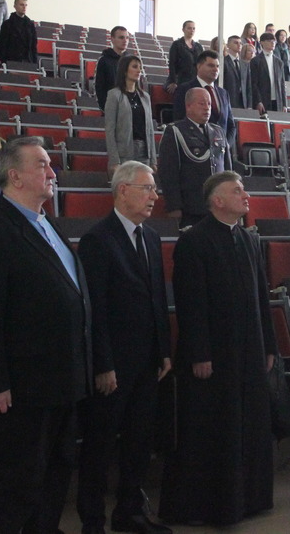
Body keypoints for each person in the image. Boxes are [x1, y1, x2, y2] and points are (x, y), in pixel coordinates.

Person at [0, 137, 91, 534]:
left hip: (63, 380)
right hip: (23, 387)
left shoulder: (48, 224)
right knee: (17, 480)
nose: (52, 172)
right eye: (42, 165)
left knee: (54, 474)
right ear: (14, 176)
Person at [159, 172, 275, 526]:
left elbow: (262, 297)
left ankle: (250, 499)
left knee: (249, 426)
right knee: (214, 430)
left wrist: (269, 344)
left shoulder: (249, 238)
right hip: (213, 356)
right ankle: (210, 507)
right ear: (217, 201)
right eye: (237, 191)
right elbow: (190, 304)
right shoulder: (194, 241)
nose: (245, 195)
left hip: (250, 350)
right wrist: (199, 353)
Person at [76, 163, 173, 534]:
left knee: (139, 440)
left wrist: (164, 350)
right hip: (113, 363)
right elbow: (95, 309)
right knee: (100, 445)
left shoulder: (151, 237)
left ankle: (129, 513)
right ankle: (93, 521)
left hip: (148, 360)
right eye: (146, 188)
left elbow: (157, 298)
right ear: (122, 191)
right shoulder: (98, 239)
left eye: (154, 189)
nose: (154, 196)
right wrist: (103, 364)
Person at [158, 87, 227, 229]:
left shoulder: (218, 131)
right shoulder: (176, 131)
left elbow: (227, 169)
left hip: (219, 206)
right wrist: (174, 206)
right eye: (202, 103)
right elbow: (168, 172)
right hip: (192, 207)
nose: (207, 108)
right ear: (188, 106)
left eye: (209, 104)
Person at [104, 54, 157, 172]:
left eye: (140, 67)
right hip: (124, 153)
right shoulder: (114, 95)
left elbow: (150, 130)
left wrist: (153, 160)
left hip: (144, 152)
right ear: (124, 70)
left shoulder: (145, 97)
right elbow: (110, 129)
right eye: (134, 67)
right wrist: (114, 160)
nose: (139, 70)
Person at [172, 50, 236, 145]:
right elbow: (179, 120)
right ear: (199, 66)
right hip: (194, 148)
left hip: (221, 150)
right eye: (211, 65)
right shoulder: (184, 89)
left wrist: (225, 145)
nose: (215, 69)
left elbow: (231, 126)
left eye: (217, 66)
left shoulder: (223, 93)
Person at [94, 26, 129, 114]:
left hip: (128, 108)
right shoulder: (104, 60)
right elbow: (99, 87)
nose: (125, 40)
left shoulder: (130, 60)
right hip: (111, 108)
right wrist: (106, 107)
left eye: (127, 38)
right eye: (121, 37)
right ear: (112, 39)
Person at [0, 0, 38, 64]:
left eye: (26, 5)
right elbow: (2, 44)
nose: (24, 7)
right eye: (21, 5)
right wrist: (4, 61)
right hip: (11, 60)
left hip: (27, 60)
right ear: (15, 6)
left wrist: (34, 62)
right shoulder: (7, 24)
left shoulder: (30, 25)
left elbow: (33, 46)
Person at [166, 20, 202, 92]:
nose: (192, 30)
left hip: (195, 80)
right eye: (189, 28)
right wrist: (173, 81)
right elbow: (172, 64)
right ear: (183, 30)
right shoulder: (176, 44)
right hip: (181, 79)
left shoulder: (199, 46)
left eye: (193, 28)